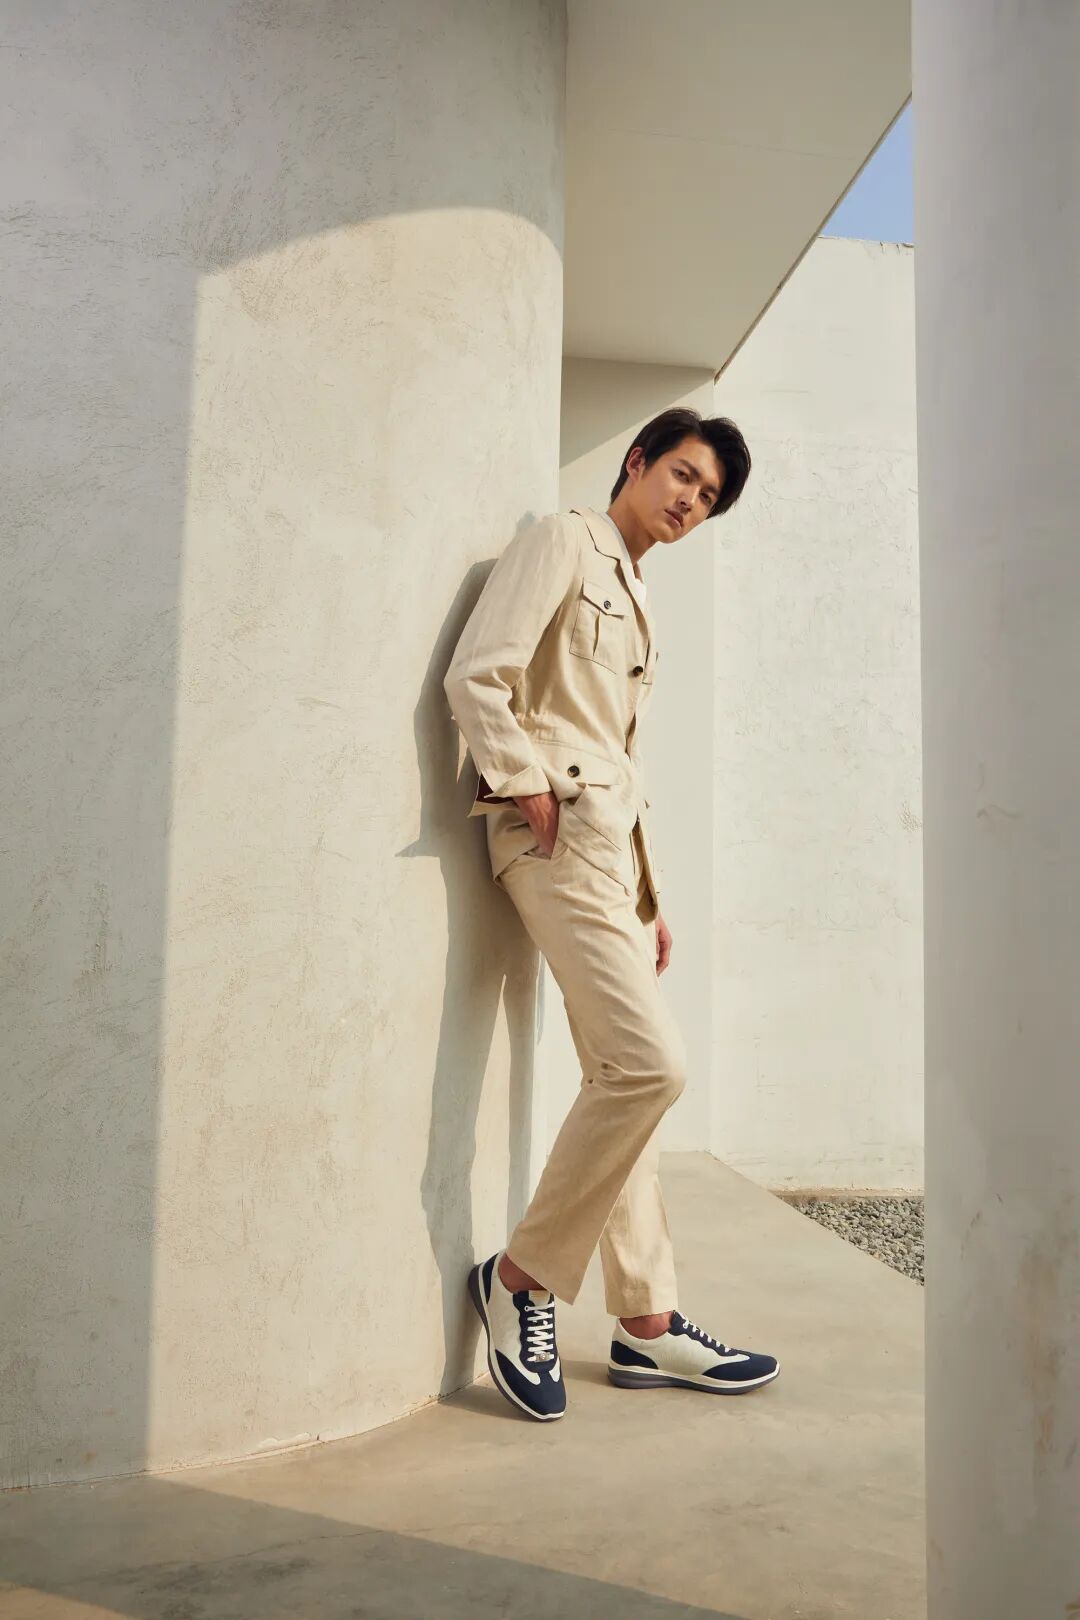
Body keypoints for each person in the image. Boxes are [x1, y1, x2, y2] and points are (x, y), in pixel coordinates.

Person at [443, 406, 780, 1422]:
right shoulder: (564, 540)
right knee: (650, 1068)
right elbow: (480, 673)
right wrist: (523, 783)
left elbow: (620, 755)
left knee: (623, 1078)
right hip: (552, 843)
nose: (690, 501)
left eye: (708, 497)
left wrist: (651, 894)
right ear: (636, 462)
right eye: (682, 475)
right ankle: (521, 1281)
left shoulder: (637, 593)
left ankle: (646, 1321)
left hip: (609, 861)